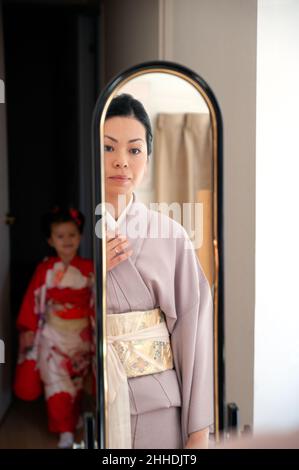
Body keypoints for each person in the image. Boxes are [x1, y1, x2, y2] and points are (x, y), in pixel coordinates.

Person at [102, 93, 214, 449]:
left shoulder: (172, 235)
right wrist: (95, 277)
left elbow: (193, 333)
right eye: (108, 148)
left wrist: (198, 431)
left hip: (159, 404)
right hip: (95, 401)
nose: (121, 161)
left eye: (134, 150)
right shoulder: (73, 239)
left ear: (147, 160)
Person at [13, 207, 95, 449]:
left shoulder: (89, 268)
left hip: (80, 335)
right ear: (50, 240)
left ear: (80, 237)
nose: (67, 240)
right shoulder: (45, 269)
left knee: (77, 383)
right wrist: (28, 328)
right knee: (56, 384)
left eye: (72, 235)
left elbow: (96, 301)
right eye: (60, 236)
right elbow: (33, 299)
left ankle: (72, 420)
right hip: (53, 335)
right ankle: (65, 431)